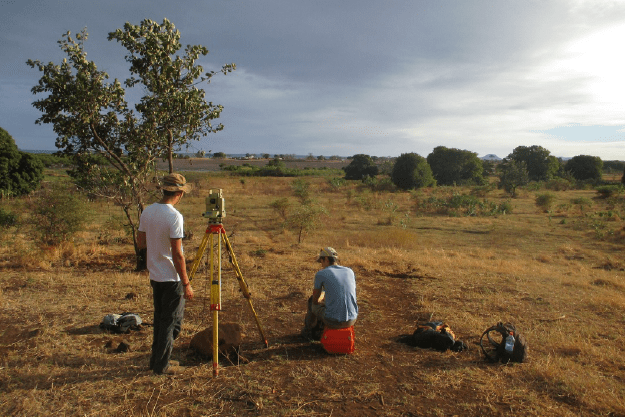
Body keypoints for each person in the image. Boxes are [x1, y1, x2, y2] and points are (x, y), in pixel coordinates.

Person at [137, 173, 194, 375]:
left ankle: (156, 360)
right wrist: (186, 283)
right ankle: (162, 366)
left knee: (161, 319)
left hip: (155, 275)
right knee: (171, 323)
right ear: (179, 193)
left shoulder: (148, 211)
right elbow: (178, 254)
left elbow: (141, 243)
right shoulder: (174, 216)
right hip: (172, 278)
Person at [303, 247, 358, 340]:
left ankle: (309, 333)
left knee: (311, 302)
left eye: (321, 261)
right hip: (352, 319)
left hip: (333, 321)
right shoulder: (350, 271)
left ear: (326, 259)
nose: (321, 265)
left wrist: (318, 302)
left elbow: (316, 298)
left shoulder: (321, 274)